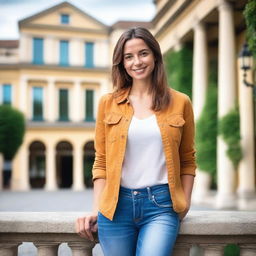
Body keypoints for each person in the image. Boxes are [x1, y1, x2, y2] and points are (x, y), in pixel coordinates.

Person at [76, 27, 196, 256]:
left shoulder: (181, 102)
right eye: (128, 57)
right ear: (121, 63)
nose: (136, 62)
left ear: (155, 56)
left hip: (161, 206)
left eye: (143, 53)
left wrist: (184, 202)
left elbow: (188, 159)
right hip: (115, 207)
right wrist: (96, 208)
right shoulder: (107, 103)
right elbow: (101, 162)